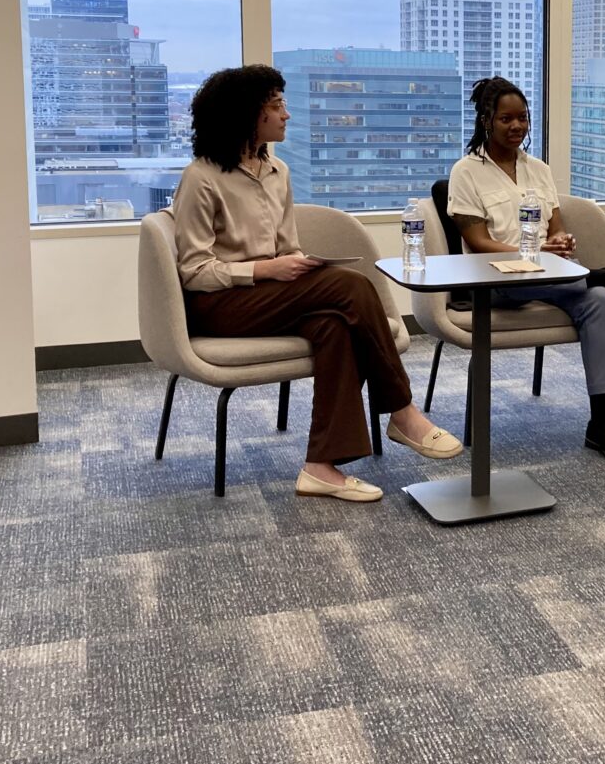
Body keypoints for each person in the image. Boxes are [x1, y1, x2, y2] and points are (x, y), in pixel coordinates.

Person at [171, 65, 463, 503]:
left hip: (270, 298)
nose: (286, 115)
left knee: (334, 326)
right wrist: (264, 271)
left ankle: (320, 467)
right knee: (350, 287)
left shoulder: (277, 171)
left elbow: (284, 246)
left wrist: (294, 263)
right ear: (247, 115)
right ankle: (402, 411)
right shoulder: (202, 178)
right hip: (219, 304)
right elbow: (192, 271)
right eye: (276, 106)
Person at [447, 77, 605, 463]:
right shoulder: (466, 171)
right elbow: (478, 242)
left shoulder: (539, 170)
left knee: (597, 300)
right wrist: (531, 250)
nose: (517, 127)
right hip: (494, 277)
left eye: (523, 118)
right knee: (587, 283)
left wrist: (560, 242)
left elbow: (556, 224)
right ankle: (604, 275)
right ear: (486, 120)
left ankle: (602, 424)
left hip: (550, 273)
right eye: (506, 119)